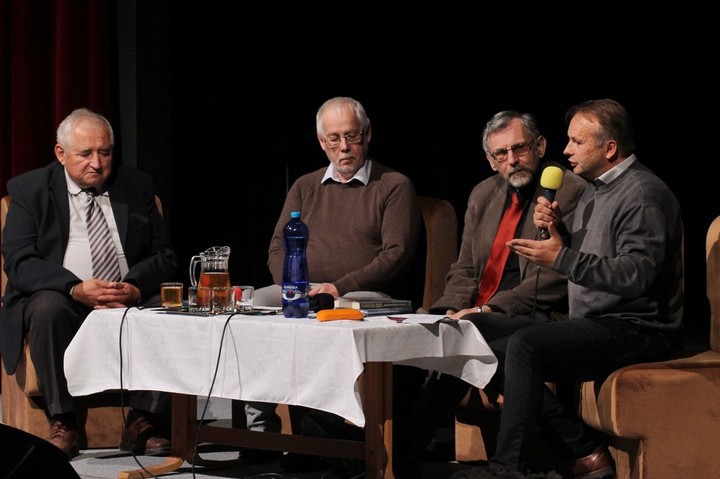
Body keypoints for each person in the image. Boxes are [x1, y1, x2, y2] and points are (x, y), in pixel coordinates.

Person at [450, 99, 684, 479]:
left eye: (577, 141)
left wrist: (562, 257)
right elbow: (594, 256)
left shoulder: (642, 194)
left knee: (524, 346)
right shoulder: (597, 190)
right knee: (475, 333)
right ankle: (581, 449)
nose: (566, 149)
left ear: (610, 148)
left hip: (637, 328)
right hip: (595, 320)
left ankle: (507, 468)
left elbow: (636, 274)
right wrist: (560, 233)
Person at [392, 110, 587, 478]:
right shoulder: (483, 193)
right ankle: (397, 450)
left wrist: (487, 310)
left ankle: (403, 451)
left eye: (519, 148)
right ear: (490, 159)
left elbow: (556, 276)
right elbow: (465, 267)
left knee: (470, 335)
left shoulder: (571, 191)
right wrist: (447, 311)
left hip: (539, 313)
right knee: (434, 331)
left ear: (540, 146)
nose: (512, 160)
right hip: (481, 314)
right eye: (501, 153)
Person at [243, 96, 422, 469]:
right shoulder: (306, 186)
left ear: (367, 135)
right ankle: (260, 433)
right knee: (252, 305)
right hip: (303, 287)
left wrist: (338, 287)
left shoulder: (393, 185)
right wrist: (292, 284)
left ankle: (333, 435)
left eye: (352, 136)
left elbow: (396, 254)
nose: (344, 147)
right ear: (322, 142)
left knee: (337, 309)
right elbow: (277, 245)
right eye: (335, 138)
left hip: (361, 293)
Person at [0, 108, 178, 458]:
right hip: (65, 299)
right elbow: (19, 261)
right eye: (85, 154)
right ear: (61, 153)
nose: (97, 163)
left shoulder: (136, 186)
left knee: (168, 307)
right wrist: (74, 287)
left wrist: (134, 287)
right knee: (47, 307)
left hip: (127, 298)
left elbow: (165, 256)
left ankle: (141, 420)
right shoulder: (30, 189)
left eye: (105, 152)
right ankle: (63, 420)